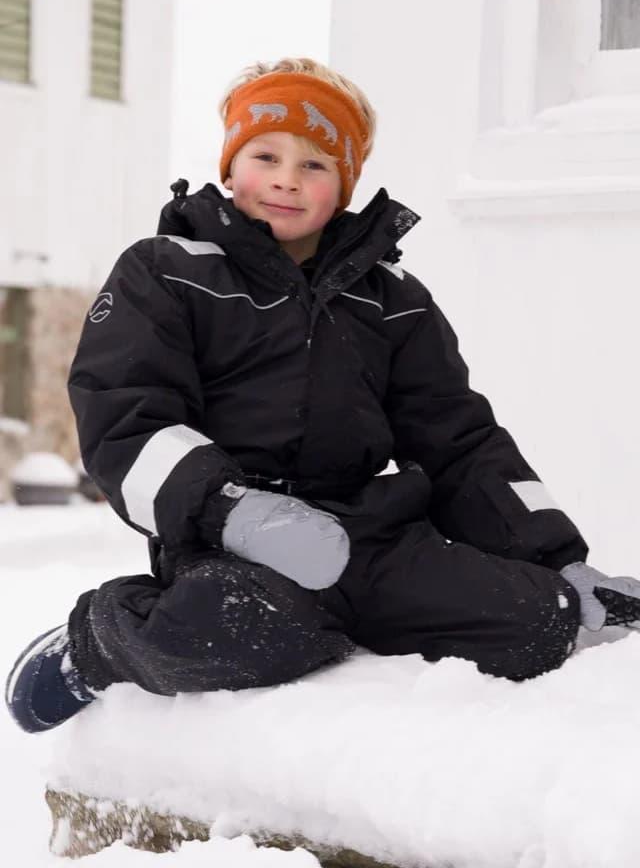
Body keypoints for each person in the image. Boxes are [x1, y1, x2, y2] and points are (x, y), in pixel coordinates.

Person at [6, 57, 640, 735]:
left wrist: (558, 559)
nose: (287, 178)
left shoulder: (393, 301)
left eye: (314, 164)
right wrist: (233, 512)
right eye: (266, 156)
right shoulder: (166, 272)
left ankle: (357, 619)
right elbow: (126, 419)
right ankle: (99, 643)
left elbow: (459, 440)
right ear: (230, 167)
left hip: (375, 540)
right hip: (234, 544)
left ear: (344, 187)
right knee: (238, 629)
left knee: (541, 622)